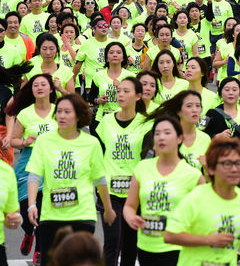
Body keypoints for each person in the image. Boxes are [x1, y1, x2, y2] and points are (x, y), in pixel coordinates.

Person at [26, 93, 117, 266]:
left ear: (78, 115)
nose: (61, 115)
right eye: (59, 111)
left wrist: (108, 208)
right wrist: (31, 204)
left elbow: (100, 179)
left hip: (82, 214)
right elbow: (35, 175)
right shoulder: (44, 141)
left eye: (67, 112)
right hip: (51, 215)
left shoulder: (91, 143)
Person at [123, 116, 203, 266]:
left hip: (178, 249)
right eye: (157, 133)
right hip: (146, 247)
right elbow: (129, 206)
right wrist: (131, 218)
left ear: (179, 139)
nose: (161, 137)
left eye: (167, 133)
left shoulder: (192, 175)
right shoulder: (142, 168)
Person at [165, 136, 240, 265]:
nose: (234, 169)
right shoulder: (195, 198)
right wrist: (210, 240)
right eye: (227, 164)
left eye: (238, 163)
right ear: (211, 169)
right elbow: (170, 236)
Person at [91, 77, 150, 266]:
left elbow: (149, 159)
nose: (121, 95)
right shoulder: (106, 122)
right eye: (119, 91)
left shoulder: (146, 123)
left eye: (126, 91)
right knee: (112, 240)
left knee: (130, 245)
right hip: (109, 190)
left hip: (135, 191)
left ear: (138, 96)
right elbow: (97, 155)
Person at [7, 74, 58, 262]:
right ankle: (29, 232)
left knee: (44, 210)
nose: (39, 87)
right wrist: (24, 142)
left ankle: (40, 250)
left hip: (52, 164)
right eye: (36, 85)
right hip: (29, 162)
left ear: (51, 89)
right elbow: (13, 140)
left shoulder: (59, 111)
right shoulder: (25, 114)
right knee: (24, 208)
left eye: (44, 84)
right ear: (32, 90)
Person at [203, 77, 240, 193]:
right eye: (227, 89)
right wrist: (215, 137)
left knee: (239, 192)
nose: (231, 93)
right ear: (220, 93)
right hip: (218, 161)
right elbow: (200, 134)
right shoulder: (211, 113)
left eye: (234, 90)